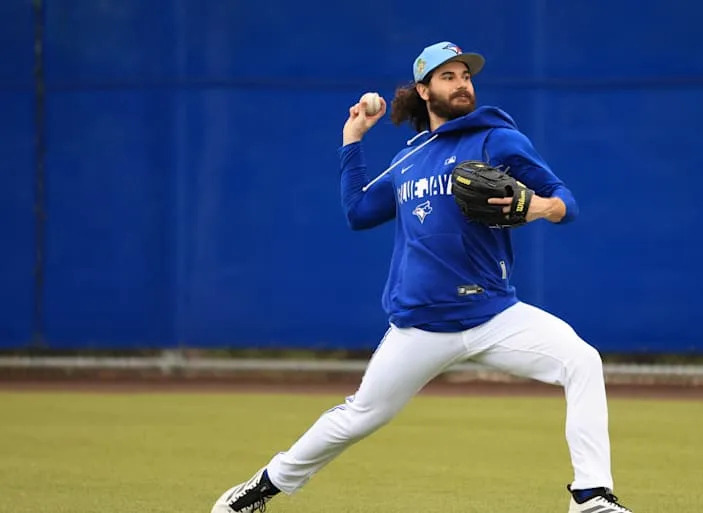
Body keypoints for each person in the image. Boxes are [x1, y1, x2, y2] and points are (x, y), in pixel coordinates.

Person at [211, 41, 633, 513]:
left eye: (465, 75)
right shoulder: (409, 159)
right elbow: (358, 212)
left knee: (582, 361)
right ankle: (257, 490)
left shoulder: (496, 139)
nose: (461, 84)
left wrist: (542, 207)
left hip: (493, 315)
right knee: (358, 417)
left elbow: (565, 202)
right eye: (448, 76)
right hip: (420, 326)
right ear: (424, 89)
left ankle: (591, 496)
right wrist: (353, 138)